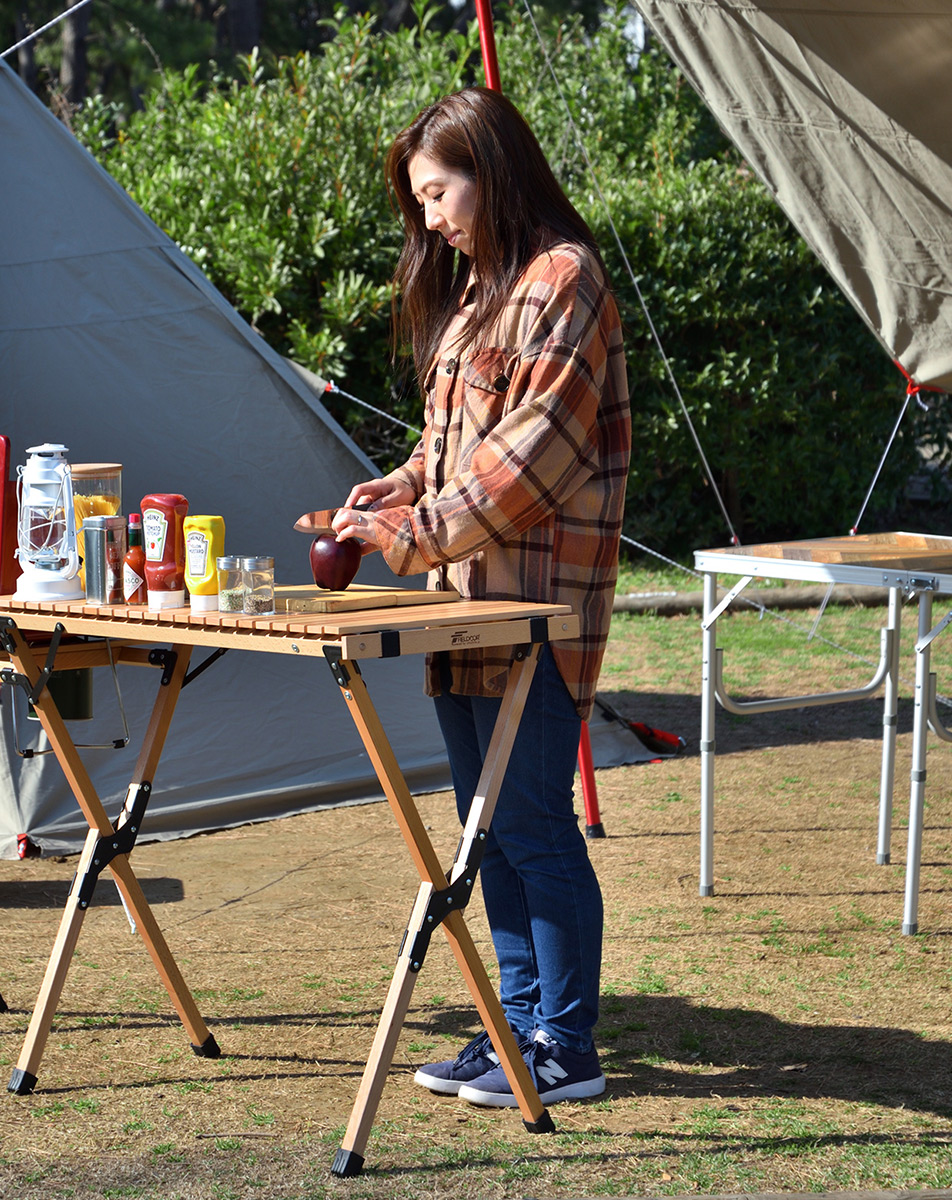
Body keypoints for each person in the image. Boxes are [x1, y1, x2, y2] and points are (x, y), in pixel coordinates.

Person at [331, 88, 630, 1108]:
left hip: (535, 603)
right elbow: (452, 444)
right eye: (418, 203)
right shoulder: (480, 290)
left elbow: (527, 463)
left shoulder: (565, 281)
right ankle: (517, 1026)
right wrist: (400, 485)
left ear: (491, 168)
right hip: (462, 605)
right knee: (482, 823)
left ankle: (567, 1044)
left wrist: (407, 535)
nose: (430, 219)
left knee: (536, 820)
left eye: (439, 192)